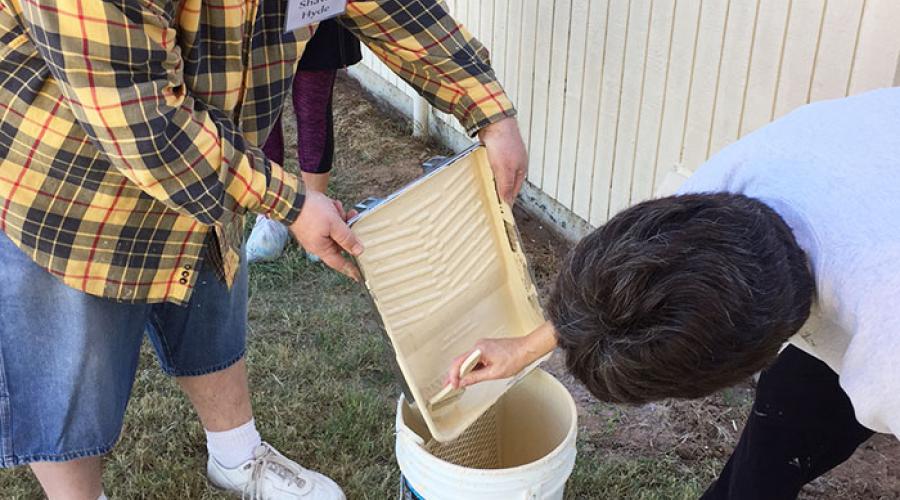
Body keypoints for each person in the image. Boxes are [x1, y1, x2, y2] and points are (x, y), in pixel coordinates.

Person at [0, 0, 527, 498]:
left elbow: (389, 6)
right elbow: (137, 115)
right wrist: (292, 203)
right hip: (70, 181)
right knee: (66, 368)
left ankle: (236, 455)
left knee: (211, 313)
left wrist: (487, 108)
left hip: (214, 161)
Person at [448, 88, 900, 499]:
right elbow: (618, 298)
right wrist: (527, 347)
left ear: (751, 359)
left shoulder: (887, 357)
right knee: (782, 429)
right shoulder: (722, 190)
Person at [247, 19, 362, 263]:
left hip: (316, 12)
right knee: (263, 109)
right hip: (256, 16)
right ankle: (272, 218)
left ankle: (317, 212)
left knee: (313, 108)